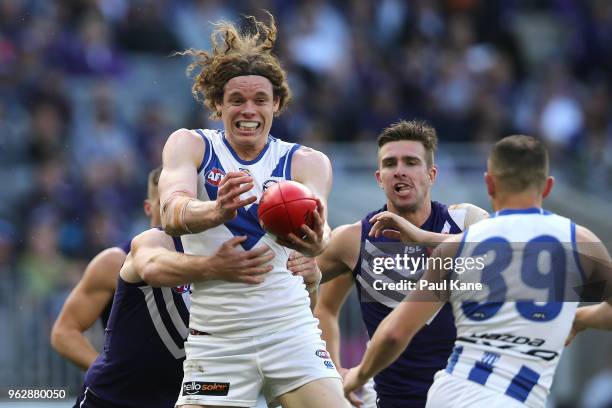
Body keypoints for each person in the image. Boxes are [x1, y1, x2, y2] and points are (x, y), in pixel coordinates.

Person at [159, 13, 348, 408]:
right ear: (217, 105)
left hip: (290, 333)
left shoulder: (306, 161)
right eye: (236, 100)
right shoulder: (190, 145)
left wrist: (316, 243)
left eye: (260, 100)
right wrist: (216, 211)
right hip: (218, 343)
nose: (249, 110)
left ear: (276, 104)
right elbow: (170, 211)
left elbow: (323, 230)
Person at [343, 135, 612, 407]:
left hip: (451, 394)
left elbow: (395, 333)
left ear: (489, 184)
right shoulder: (580, 243)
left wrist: (358, 376)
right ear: (548, 186)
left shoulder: (458, 248)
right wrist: (581, 318)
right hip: (515, 399)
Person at [315, 120, 488, 407]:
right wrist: (334, 371)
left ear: (431, 174)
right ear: (379, 177)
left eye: (411, 162)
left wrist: (419, 237)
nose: (399, 171)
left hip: (463, 394)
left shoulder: (465, 220)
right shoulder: (354, 239)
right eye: (390, 163)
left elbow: (501, 250)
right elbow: (325, 306)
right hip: (389, 398)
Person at [73, 216, 322, 408]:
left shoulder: (243, 253)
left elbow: (288, 324)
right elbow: (151, 268)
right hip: (115, 398)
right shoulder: (150, 243)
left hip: (192, 394)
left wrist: (310, 284)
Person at [51, 166, 163, 370]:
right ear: (148, 208)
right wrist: (105, 374)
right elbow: (64, 332)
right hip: (130, 397)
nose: (172, 212)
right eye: (164, 204)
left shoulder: (211, 262)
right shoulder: (114, 262)